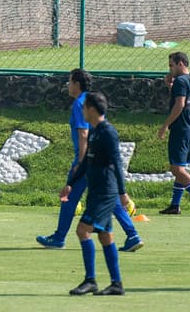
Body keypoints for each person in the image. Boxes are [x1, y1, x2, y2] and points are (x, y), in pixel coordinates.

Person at [39, 69, 143, 251]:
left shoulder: (81, 103)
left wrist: (80, 162)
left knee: (69, 198)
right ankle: (132, 234)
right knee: (109, 199)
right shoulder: (90, 100)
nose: (68, 85)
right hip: (97, 158)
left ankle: (59, 238)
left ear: (77, 84)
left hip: (88, 158)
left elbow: (83, 134)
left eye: (70, 82)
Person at [61, 91, 129, 296]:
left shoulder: (108, 132)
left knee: (83, 231)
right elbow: (86, 163)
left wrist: (122, 193)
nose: (82, 110)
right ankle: (116, 284)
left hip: (105, 193)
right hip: (96, 190)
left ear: (91, 109)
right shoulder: (94, 131)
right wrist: (70, 184)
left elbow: (117, 162)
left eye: (84, 107)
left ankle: (90, 280)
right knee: (106, 236)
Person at [157, 51, 190, 216]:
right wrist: (170, 87)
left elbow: (179, 104)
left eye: (171, 65)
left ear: (181, 63)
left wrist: (165, 125)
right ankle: (175, 205)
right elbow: (184, 101)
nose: (170, 69)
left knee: (176, 169)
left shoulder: (181, 80)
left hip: (180, 129)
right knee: (179, 167)